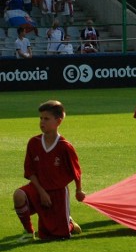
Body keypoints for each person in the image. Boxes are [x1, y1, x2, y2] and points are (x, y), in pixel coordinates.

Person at [13, 100, 85, 241]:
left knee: (60, 236)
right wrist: (41, 192)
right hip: (38, 189)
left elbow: (76, 170)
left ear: (58, 121)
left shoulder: (65, 146)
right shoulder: (33, 142)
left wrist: (78, 190)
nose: (42, 122)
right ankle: (28, 232)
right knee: (19, 195)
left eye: (46, 119)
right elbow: (30, 171)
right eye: (40, 118)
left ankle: (69, 223)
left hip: (57, 192)